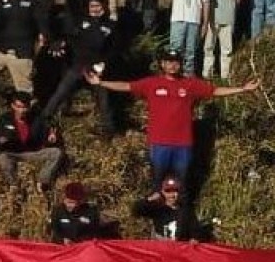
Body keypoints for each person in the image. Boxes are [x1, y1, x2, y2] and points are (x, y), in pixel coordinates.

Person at [87, 48, 259, 189]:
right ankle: (158, 219)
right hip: (159, 142)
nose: (172, 65)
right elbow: (126, 85)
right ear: (162, 64)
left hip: (183, 144)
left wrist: (242, 89)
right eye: (168, 61)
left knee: (180, 184)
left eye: (176, 61)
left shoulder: (190, 84)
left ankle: (179, 220)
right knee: (157, 182)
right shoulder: (151, 83)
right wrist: (101, 83)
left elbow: (214, 91)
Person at [42, 0, 116, 135]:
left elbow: (114, 48)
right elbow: (69, 39)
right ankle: (45, 118)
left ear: (104, 7)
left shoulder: (110, 25)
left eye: (98, 6)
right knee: (61, 92)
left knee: (104, 100)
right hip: (78, 65)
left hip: (97, 68)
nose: (95, 9)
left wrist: (104, 63)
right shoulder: (80, 22)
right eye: (92, 6)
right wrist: (60, 44)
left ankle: (109, 129)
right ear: (88, 8)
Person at [0, 91, 64, 193]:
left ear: (29, 107)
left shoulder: (37, 118)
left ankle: (42, 181)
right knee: (2, 158)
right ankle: (14, 185)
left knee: (56, 152)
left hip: (34, 152)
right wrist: (3, 140)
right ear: (13, 106)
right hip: (14, 153)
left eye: (24, 107)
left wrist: (51, 135)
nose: (22, 110)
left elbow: (51, 126)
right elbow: (0, 137)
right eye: (18, 107)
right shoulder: (4, 119)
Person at [133, 175, 200, 241]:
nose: (172, 195)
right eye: (168, 191)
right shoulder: (158, 209)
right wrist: (150, 199)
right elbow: (136, 210)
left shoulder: (186, 211)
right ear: (162, 192)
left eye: (175, 191)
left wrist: (194, 239)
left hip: (179, 250)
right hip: (160, 250)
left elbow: (195, 232)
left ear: (179, 192)